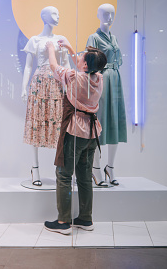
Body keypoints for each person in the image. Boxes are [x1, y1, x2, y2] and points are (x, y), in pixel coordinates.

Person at [44, 38, 107, 235]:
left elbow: (55, 67)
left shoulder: (74, 77)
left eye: (81, 57)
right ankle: (85, 219)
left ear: (86, 65)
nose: (77, 57)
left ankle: (63, 221)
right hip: (91, 133)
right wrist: (71, 49)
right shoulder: (98, 79)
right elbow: (82, 67)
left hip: (75, 131)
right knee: (84, 176)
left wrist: (51, 49)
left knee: (63, 175)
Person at [21, 6, 70, 186]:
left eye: (58, 13)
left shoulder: (61, 40)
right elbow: (28, 66)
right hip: (39, 84)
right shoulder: (35, 40)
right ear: (44, 17)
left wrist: (70, 84)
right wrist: (23, 86)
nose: (58, 17)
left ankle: (61, 170)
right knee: (36, 123)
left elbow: (66, 63)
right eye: (54, 14)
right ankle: (35, 168)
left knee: (59, 124)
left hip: (57, 84)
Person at [86, 4, 127, 187]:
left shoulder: (114, 38)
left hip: (115, 81)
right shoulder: (93, 38)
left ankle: (110, 167)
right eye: (105, 13)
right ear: (97, 14)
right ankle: (96, 168)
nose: (109, 17)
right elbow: (90, 64)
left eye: (112, 13)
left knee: (115, 123)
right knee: (99, 123)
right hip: (101, 81)